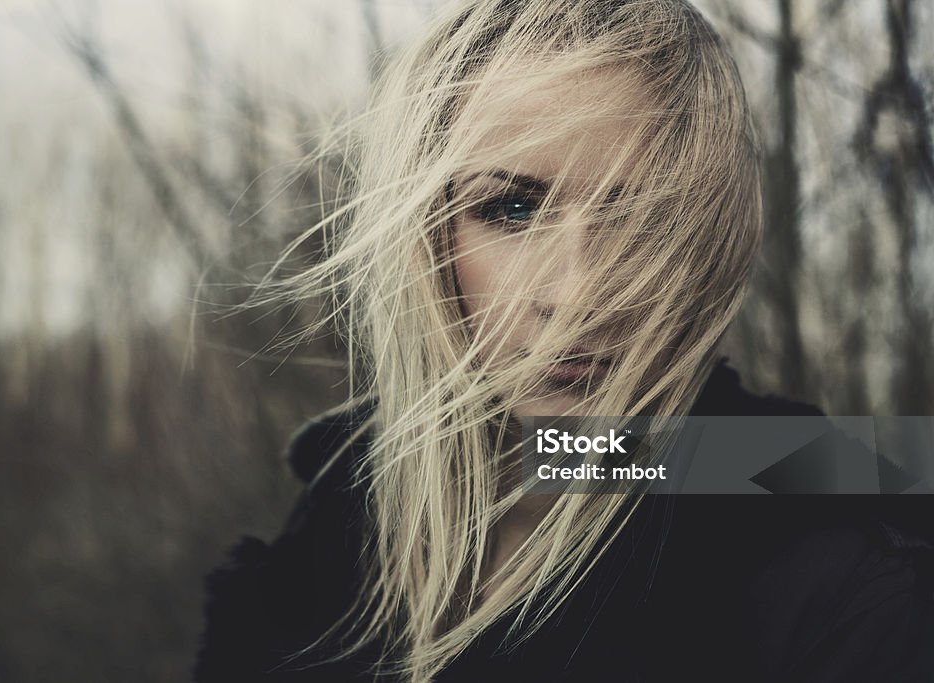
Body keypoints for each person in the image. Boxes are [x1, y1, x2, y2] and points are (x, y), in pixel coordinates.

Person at [194, 1, 934, 680]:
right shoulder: (338, 515)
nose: (577, 295)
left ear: (708, 245)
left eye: (645, 218)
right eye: (512, 208)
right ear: (426, 236)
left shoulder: (843, 579)